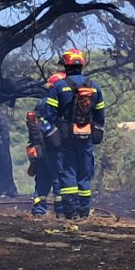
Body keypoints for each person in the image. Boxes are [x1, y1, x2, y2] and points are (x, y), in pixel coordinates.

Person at [46, 49, 104, 219]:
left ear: (66, 65)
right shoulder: (94, 87)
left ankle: (70, 212)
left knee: (68, 173)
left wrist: (52, 133)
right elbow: (100, 116)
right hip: (86, 137)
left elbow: (49, 115)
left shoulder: (58, 87)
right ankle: (84, 211)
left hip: (66, 139)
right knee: (84, 175)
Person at [26, 72, 65, 216]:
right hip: (54, 148)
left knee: (42, 179)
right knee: (58, 179)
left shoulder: (40, 103)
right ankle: (60, 210)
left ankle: (38, 209)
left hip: (40, 148)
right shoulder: (56, 103)